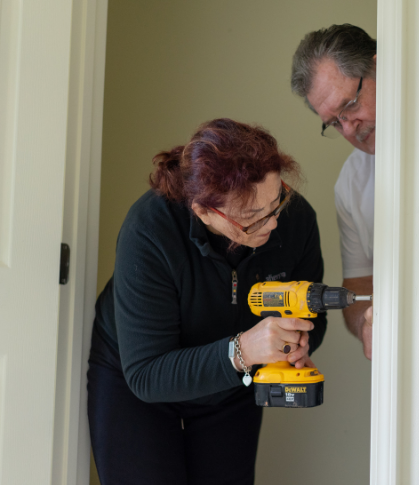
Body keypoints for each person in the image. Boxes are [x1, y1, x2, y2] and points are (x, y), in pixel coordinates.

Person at [87, 118, 327, 485]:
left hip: (231, 380)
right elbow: (147, 374)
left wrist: (298, 340)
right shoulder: (150, 230)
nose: (272, 223)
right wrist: (244, 349)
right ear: (202, 211)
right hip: (139, 377)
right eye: (251, 217)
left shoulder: (296, 221)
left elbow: (313, 311)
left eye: (276, 201)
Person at [290, 24, 376, 360]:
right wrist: (365, 325)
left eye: (350, 104)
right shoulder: (351, 183)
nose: (350, 128)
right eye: (335, 122)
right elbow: (358, 288)